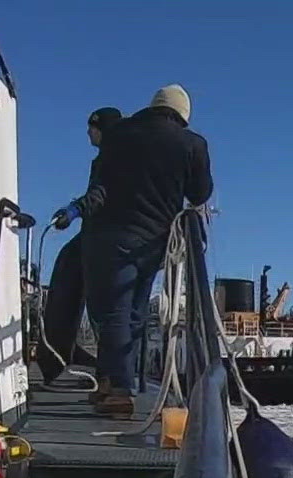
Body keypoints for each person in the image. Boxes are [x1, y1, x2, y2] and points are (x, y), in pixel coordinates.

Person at [76, 85, 212, 417]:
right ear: (183, 115)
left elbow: (99, 180)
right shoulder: (192, 144)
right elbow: (200, 193)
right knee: (135, 310)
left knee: (115, 310)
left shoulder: (120, 134)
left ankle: (115, 386)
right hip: (155, 240)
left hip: (111, 233)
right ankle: (121, 386)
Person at [40, 107, 121, 385]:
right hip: (103, 234)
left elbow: (101, 194)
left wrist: (75, 210)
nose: (88, 132)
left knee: (100, 302)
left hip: (106, 237)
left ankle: (99, 371)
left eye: (92, 128)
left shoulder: (112, 159)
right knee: (69, 264)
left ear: (102, 130)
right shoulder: (111, 158)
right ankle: (59, 352)